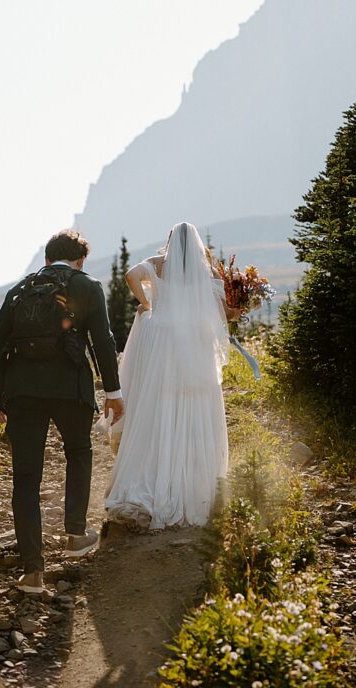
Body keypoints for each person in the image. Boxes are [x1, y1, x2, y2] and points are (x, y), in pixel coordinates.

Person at [0, 229, 123, 595]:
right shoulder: (87, 286)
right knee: (78, 451)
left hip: (22, 391)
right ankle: (76, 533)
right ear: (79, 261)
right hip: (69, 389)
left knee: (26, 477)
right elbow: (103, 341)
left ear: (47, 259)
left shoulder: (21, 289)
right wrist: (113, 391)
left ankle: (32, 572)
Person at [105, 222, 239, 529]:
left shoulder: (157, 266)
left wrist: (147, 302)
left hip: (164, 345)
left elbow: (130, 275)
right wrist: (238, 310)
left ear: (170, 242)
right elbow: (223, 314)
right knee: (196, 408)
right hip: (196, 347)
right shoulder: (209, 274)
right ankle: (196, 486)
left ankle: (153, 478)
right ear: (196, 246)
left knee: (160, 407)